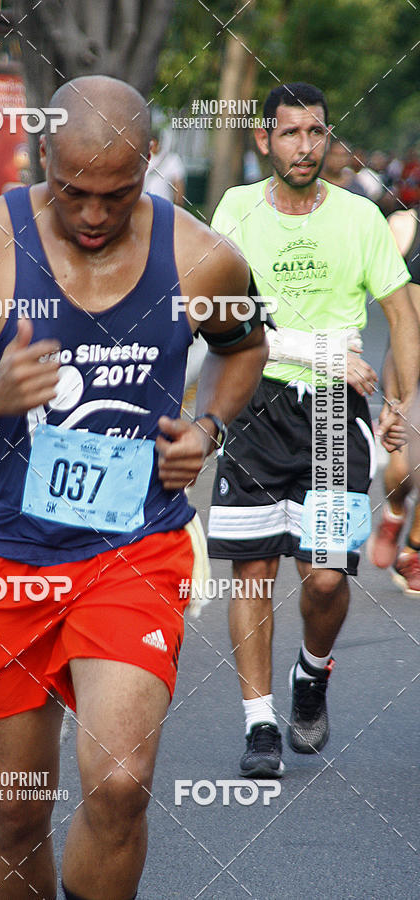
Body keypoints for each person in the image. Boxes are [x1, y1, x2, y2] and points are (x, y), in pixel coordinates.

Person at [0, 75, 268, 900]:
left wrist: (207, 428)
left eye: (117, 192)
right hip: (7, 559)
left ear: (150, 162)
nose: (96, 214)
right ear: (44, 156)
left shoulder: (201, 256)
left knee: (119, 782)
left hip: (135, 551)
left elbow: (245, 344)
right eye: (74, 191)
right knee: (16, 811)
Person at [207, 82, 420, 779]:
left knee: (325, 579)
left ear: (328, 139)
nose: (305, 146)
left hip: (333, 415)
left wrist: (398, 403)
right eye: (290, 132)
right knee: (252, 573)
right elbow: (219, 314)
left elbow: (401, 312)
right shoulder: (236, 211)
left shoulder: (360, 216)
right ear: (265, 140)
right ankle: (259, 722)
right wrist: (321, 349)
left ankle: (312, 669)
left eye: (316, 132)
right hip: (256, 405)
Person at [368, 206, 420, 593]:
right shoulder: (404, 227)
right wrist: (396, 393)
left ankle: (413, 550)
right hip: (409, 365)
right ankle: (395, 508)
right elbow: (397, 318)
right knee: (402, 469)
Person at [143, 125, 186, 205]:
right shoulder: (142, 159)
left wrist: (178, 206)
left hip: (164, 205)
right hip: (146, 206)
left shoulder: (172, 160)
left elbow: (178, 187)